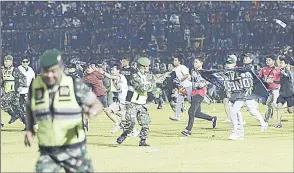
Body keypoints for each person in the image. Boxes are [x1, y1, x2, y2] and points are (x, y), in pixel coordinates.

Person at [24, 49, 104, 172]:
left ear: (61, 68)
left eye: (53, 71)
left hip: (74, 150)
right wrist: (29, 129)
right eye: (46, 71)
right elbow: (30, 107)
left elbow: (97, 104)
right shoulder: (35, 86)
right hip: (48, 151)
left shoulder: (74, 85)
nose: (49, 75)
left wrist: (92, 112)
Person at [116, 57, 154, 146]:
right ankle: (124, 134)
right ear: (144, 67)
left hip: (142, 103)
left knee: (145, 123)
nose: (148, 68)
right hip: (132, 103)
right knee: (131, 123)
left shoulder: (148, 76)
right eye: (147, 66)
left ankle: (142, 140)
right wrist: (152, 83)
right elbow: (142, 88)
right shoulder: (135, 76)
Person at [181, 57, 218, 137]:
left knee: (191, 111)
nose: (194, 64)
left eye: (196, 62)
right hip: (194, 93)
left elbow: (209, 79)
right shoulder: (194, 71)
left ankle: (188, 130)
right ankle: (212, 118)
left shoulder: (204, 72)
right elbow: (194, 80)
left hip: (200, 93)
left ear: (201, 63)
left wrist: (204, 83)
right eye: (194, 62)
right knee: (197, 113)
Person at [1, 55, 27, 128]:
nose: (5, 62)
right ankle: (27, 124)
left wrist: (20, 86)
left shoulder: (14, 70)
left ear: (11, 62)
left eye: (7, 61)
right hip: (7, 92)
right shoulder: (4, 71)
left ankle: (13, 115)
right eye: (4, 61)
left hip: (13, 92)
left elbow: (23, 78)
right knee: (18, 110)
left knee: (2, 102)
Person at [102, 65, 128, 133]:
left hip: (125, 102)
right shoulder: (115, 79)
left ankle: (133, 131)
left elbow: (110, 76)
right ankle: (117, 124)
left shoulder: (120, 77)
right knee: (108, 111)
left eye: (113, 70)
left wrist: (103, 72)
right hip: (119, 101)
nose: (112, 71)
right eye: (111, 70)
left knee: (126, 119)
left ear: (118, 71)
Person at [169, 53, 192, 121]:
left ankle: (197, 112)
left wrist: (179, 80)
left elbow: (186, 75)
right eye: (174, 60)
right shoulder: (175, 69)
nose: (174, 62)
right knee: (179, 101)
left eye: (176, 60)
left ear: (179, 61)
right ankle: (177, 116)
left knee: (191, 101)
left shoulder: (183, 67)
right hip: (182, 87)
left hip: (188, 86)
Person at [258, 55, 280, 122]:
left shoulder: (277, 70)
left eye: (269, 60)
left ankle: (266, 119)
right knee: (264, 102)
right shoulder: (263, 69)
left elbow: (281, 80)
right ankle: (270, 115)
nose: (267, 61)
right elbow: (259, 78)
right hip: (267, 89)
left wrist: (273, 81)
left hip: (275, 89)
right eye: (266, 60)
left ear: (273, 61)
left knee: (270, 103)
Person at [275, 56, 294, 128]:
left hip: (290, 93)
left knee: (290, 111)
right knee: (279, 106)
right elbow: (279, 81)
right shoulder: (279, 71)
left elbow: (290, 78)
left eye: (281, 63)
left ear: (286, 64)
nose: (280, 64)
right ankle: (278, 123)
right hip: (282, 93)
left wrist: (286, 71)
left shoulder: (290, 71)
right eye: (279, 63)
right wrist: (272, 81)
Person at [18, 57, 36, 124]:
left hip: (28, 91)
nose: (25, 63)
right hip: (20, 91)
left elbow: (33, 80)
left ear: (29, 62)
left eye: (26, 61)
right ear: (21, 62)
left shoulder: (31, 70)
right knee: (21, 109)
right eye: (23, 61)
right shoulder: (18, 69)